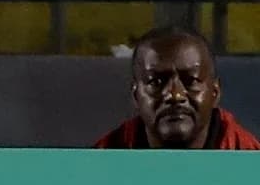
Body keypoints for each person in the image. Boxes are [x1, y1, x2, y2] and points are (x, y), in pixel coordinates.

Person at [94, 26, 260, 150]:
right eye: (156, 82)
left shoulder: (249, 159)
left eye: (191, 81)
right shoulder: (103, 161)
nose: (175, 95)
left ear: (215, 93)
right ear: (136, 95)